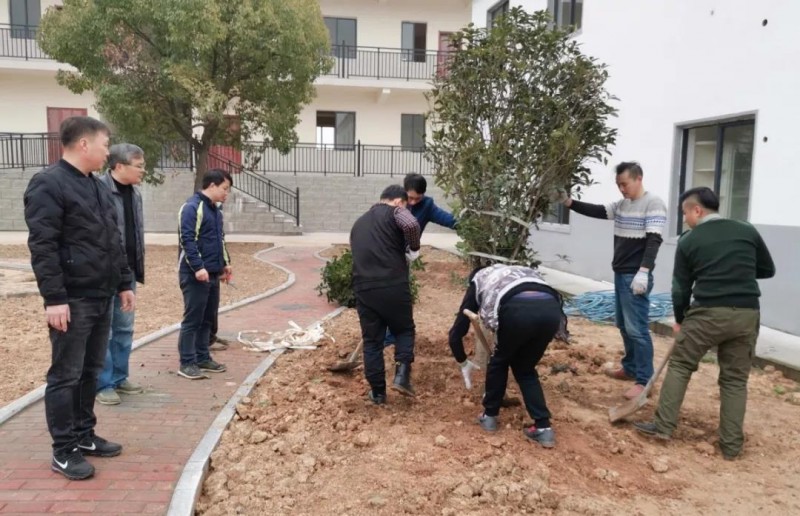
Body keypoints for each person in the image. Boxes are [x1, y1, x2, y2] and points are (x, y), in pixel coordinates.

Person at [24, 116, 134, 480]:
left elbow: (113, 239)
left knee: (91, 370)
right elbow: (43, 246)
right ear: (84, 144)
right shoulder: (49, 184)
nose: (108, 151)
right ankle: (63, 449)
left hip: (101, 294)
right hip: (72, 299)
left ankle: (84, 435)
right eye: (105, 144)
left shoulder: (98, 186)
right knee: (65, 375)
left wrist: (124, 282)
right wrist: (54, 298)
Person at [634, 187, 775, 460]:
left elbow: (680, 288)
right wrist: (737, 270)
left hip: (708, 313)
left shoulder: (689, 240)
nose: (684, 219)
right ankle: (731, 447)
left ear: (697, 210)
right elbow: (767, 269)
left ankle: (663, 427)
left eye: (685, 213)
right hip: (746, 314)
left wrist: (680, 319)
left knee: (681, 365)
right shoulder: (746, 230)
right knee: (735, 380)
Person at [555, 161, 667, 400]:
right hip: (621, 273)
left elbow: (654, 240)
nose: (622, 189)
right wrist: (569, 203)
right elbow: (598, 211)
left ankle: (644, 380)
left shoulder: (653, 203)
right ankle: (630, 367)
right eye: (618, 185)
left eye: (625, 184)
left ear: (638, 178)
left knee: (637, 329)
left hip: (635, 275)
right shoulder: (622, 205)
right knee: (623, 325)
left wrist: (644, 271)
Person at [448, 264, 567, 448]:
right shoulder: (512, 272)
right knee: (525, 369)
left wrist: (463, 361)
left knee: (499, 362)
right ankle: (543, 427)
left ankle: (489, 416)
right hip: (551, 310)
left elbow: (457, 331)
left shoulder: (478, 280)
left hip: (517, 308)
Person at [350, 185, 421, 404]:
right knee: (404, 329)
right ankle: (401, 376)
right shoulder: (396, 211)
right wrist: (413, 249)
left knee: (372, 341)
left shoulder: (358, 223)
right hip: (393, 284)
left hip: (364, 288)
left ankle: (378, 393)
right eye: (406, 205)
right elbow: (411, 224)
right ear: (398, 201)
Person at [96, 144, 147, 405]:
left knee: (124, 327)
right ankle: (103, 383)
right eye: (139, 166)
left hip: (128, 273)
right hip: (105, 273)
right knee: (104, 331)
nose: (143, 171)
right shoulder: (98, 191)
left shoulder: (135, 194)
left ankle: (119, 376)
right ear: (119, 166)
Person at [176, 168, 233, 380]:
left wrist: (225, 264)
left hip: (213, 273)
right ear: (212, 185)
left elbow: (220, 239)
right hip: (195, 274)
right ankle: (187, 362)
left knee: (208, 318)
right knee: (193, 319)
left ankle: (202, 357)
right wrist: (198, 267)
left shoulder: (216, 211)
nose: (226, 193)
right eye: (224, 188)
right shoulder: (192, 207)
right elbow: (187, 240)